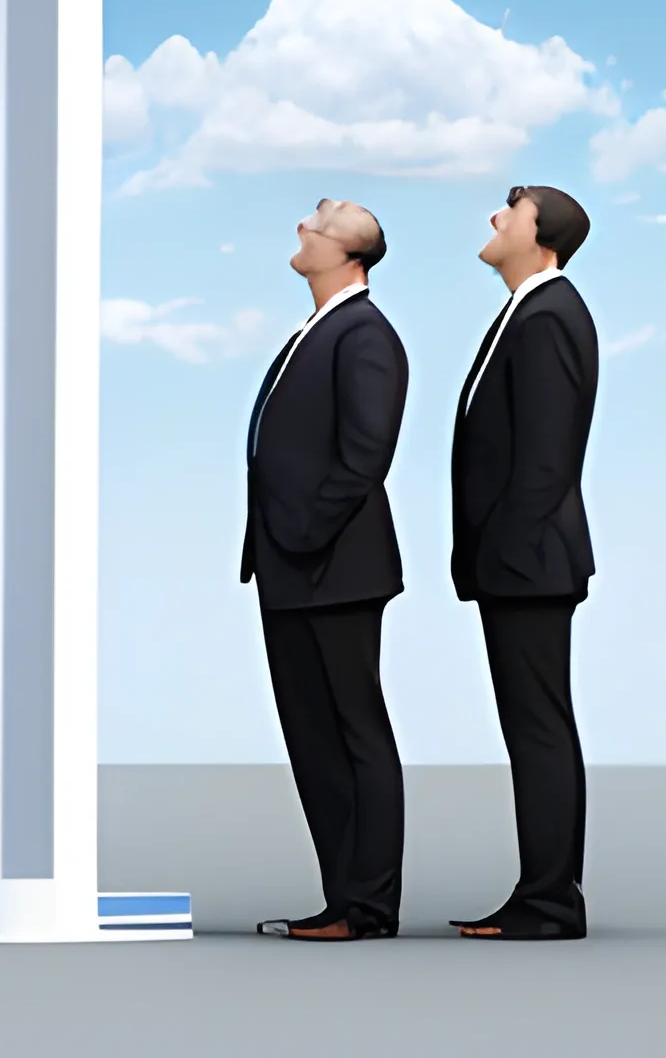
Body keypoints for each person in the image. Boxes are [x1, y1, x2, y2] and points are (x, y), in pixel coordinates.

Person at [243, 198, 409, 942]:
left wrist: (303, 536)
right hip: (291, 566)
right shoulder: (317, 331)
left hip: (334, 566)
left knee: (353, 730)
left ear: (349, 252)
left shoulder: (365, 334)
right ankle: (341, 897)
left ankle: (368, 905)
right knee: (311, 735)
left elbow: (364, 455)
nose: (301, 228)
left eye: (315, 223)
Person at [449, 183, 598, 942]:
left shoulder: (549, 317)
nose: (493, 218)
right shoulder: (526, 313)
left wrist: (503, 550)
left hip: (530, 561)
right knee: (534, 725)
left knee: (539, 727)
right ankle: (542, 891)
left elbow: (545, 458)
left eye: (510, 211)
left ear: (542, 236)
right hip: (517, 560)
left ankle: (549, 900)